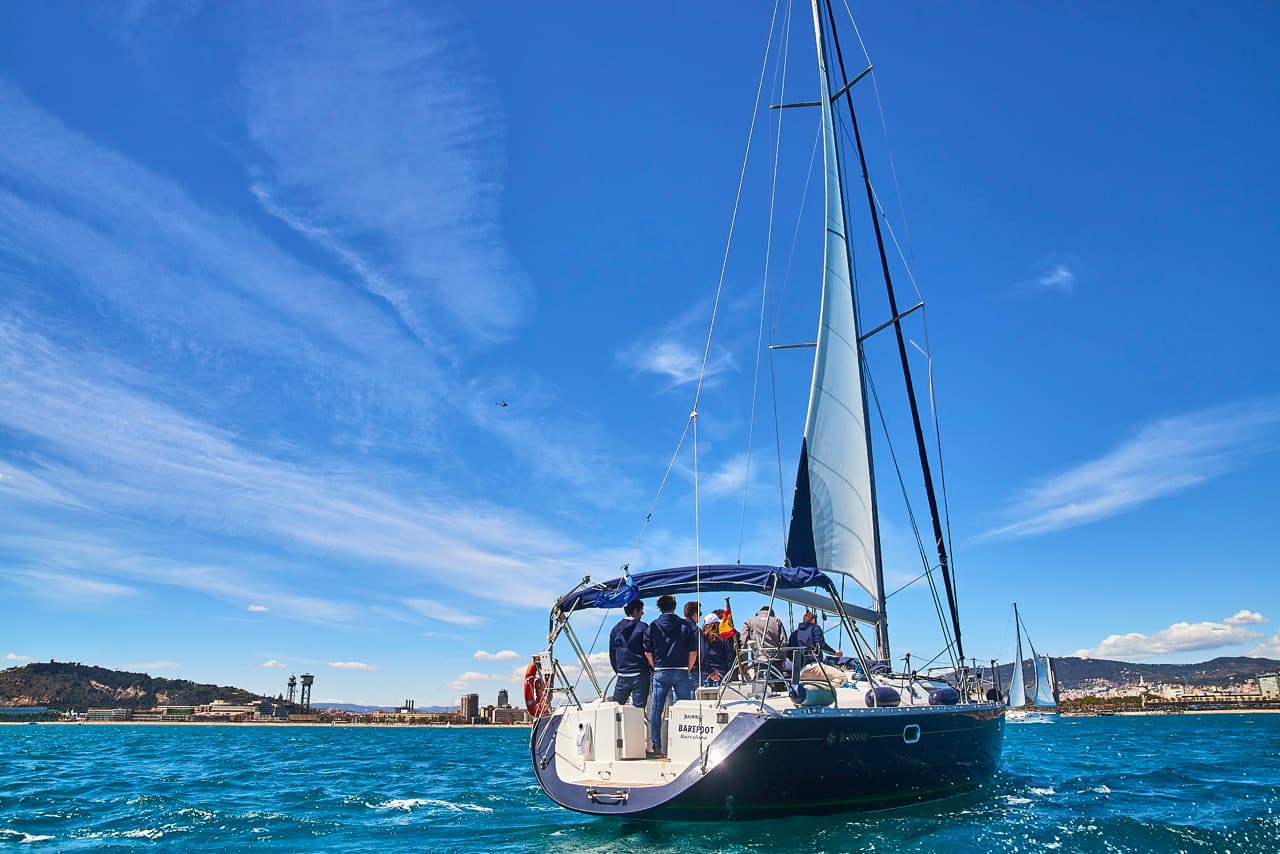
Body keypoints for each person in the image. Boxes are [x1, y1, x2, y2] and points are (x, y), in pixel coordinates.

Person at [644, 594, 697, 756]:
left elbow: (647, 651)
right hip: (681, 670)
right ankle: (684, 746)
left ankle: (657, 747)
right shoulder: (685, 625)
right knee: (685, 708)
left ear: (659, 608)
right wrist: (687, 669)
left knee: (657, 709)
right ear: (674, 606)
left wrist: (656, 667)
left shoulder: (653, 626)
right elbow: (693, 652)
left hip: (661, 671)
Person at [608, 599, 651, 708]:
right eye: (641, 610)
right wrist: (651, 667)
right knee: (639, 709)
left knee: (616, 709)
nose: (642, 613)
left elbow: (612, 653)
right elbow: (649, 650)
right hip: (640, 674)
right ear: (636, 610)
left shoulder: (615, 629)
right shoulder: (643, 627)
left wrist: (618, 670)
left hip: (622, 674)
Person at [740, 605, 787, 682]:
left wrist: (744, 662)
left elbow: (743, 642)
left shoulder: (749, 622)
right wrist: (783, 660)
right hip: (775, 659)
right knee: (779, 685)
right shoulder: (777, 621)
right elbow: (784, 642)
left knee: (760, 685)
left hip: (758, 659)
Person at [698, 614, 732, 687]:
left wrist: (709, 671)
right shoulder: (724, 638)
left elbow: (701, 657)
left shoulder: (701, 639)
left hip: (705, 675)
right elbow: (729, 657)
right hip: (722, 675)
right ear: (715, 625)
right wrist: (732, 676)